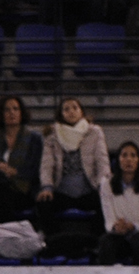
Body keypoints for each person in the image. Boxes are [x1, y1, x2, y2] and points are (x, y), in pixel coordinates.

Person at [37, 97, 108, 233]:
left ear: (81, 111)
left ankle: (94, 242)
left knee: (107, 201)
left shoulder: (95, 132)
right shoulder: (52, 134)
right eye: (66, 109)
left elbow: (102, 161)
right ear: (61, 114)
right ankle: (54, 241)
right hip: (61, 190)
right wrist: (47, 187)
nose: (71, 111)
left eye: (75, 108)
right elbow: (47, 164)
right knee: (43, 203)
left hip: (89, 189)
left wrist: (102, 186)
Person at [0, 95, 43, 227]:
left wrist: (13, 172)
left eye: (15, 109)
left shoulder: (34, 139)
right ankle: (6, 232)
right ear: (0, 113)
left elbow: (36, 170)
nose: (12, 113)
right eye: (7, 110)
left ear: (21, 112)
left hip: (22, 190)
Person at [97, 141, 139, 266]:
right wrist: (116, 227)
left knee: (138, 241)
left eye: (133, 155)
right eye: (124, 155)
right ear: (118, 160)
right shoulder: (106, 184)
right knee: (106, 241)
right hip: (121, 235)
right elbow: (109, 222)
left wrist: (131, 226)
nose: (129, 160)